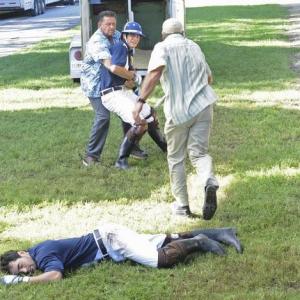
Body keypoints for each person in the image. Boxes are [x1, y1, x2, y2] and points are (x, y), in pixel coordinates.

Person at [133, 18, 219, 219]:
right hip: (204, 105)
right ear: (183, 32)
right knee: (199, 154)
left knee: (176, 158)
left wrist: (140, 101)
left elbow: (153, 75)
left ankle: (182, 206)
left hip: (179, 111)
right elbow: (209, 78)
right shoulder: (195, 46)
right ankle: (209, 180)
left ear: (163, 34)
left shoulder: (162, 48)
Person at [0, 223, 243, 284]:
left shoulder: (42, 255)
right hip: (109, 238)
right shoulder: (40, 252)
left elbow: (55, 276)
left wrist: (21, 280)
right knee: (163, 240)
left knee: (161, 259)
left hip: (111, 241)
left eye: (21, 265)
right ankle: (222, 232)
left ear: (23, 252)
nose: (25, 269)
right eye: (19, 271)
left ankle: (200, 241)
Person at [80, 11, 147, 167]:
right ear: (99, 25)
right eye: (107, 24)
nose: (111, 27)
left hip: (116, 83)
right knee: (103, 117)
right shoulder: (96, 41)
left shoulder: (117, 35)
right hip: (95, 86)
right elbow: (111, 66)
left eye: (113, 24)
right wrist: (131, 77)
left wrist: (130, 76)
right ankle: (91, 156)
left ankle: (132, 147)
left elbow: (126, 55)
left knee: (132, 110)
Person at [100, 21, 167, 169]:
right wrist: (131, 76)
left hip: (122, 91)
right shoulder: (120, 47)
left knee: (150, 114)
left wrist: (130, 80)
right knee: (140, 122)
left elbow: (126, 81)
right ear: (124, 35)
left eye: (137, 36)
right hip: (112, 94)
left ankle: (165, 148)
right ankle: (121, 161)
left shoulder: (128, 50)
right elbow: (114, 67)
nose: (135, 39)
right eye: (131, 35)